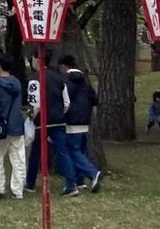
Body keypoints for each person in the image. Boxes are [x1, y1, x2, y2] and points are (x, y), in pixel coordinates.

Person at [25, 56, 79, 198]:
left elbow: (35, 103)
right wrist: (59, 113)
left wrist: (31, 116)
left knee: (36, 151)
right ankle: (71, 184)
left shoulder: (34, 78)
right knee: (63, 152)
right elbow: (66, 103)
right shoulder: (59, 78)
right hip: (58, 120)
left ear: (37, 59)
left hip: (42, 121)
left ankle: (30, 183)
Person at [59, 54, 102, 193]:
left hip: (71, 120)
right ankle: (79, 180)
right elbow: (95, 99)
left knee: (73, 151)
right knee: (81, 150)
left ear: (63, 67)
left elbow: (64, 100)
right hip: (85, 120)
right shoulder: (84, 80)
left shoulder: (65, 80)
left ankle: (93, 173)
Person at [0, 55, 26, 199]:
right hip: (16, 124)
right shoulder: (16, 82)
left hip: (0, 125)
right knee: (18, 158)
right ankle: (18, 189)